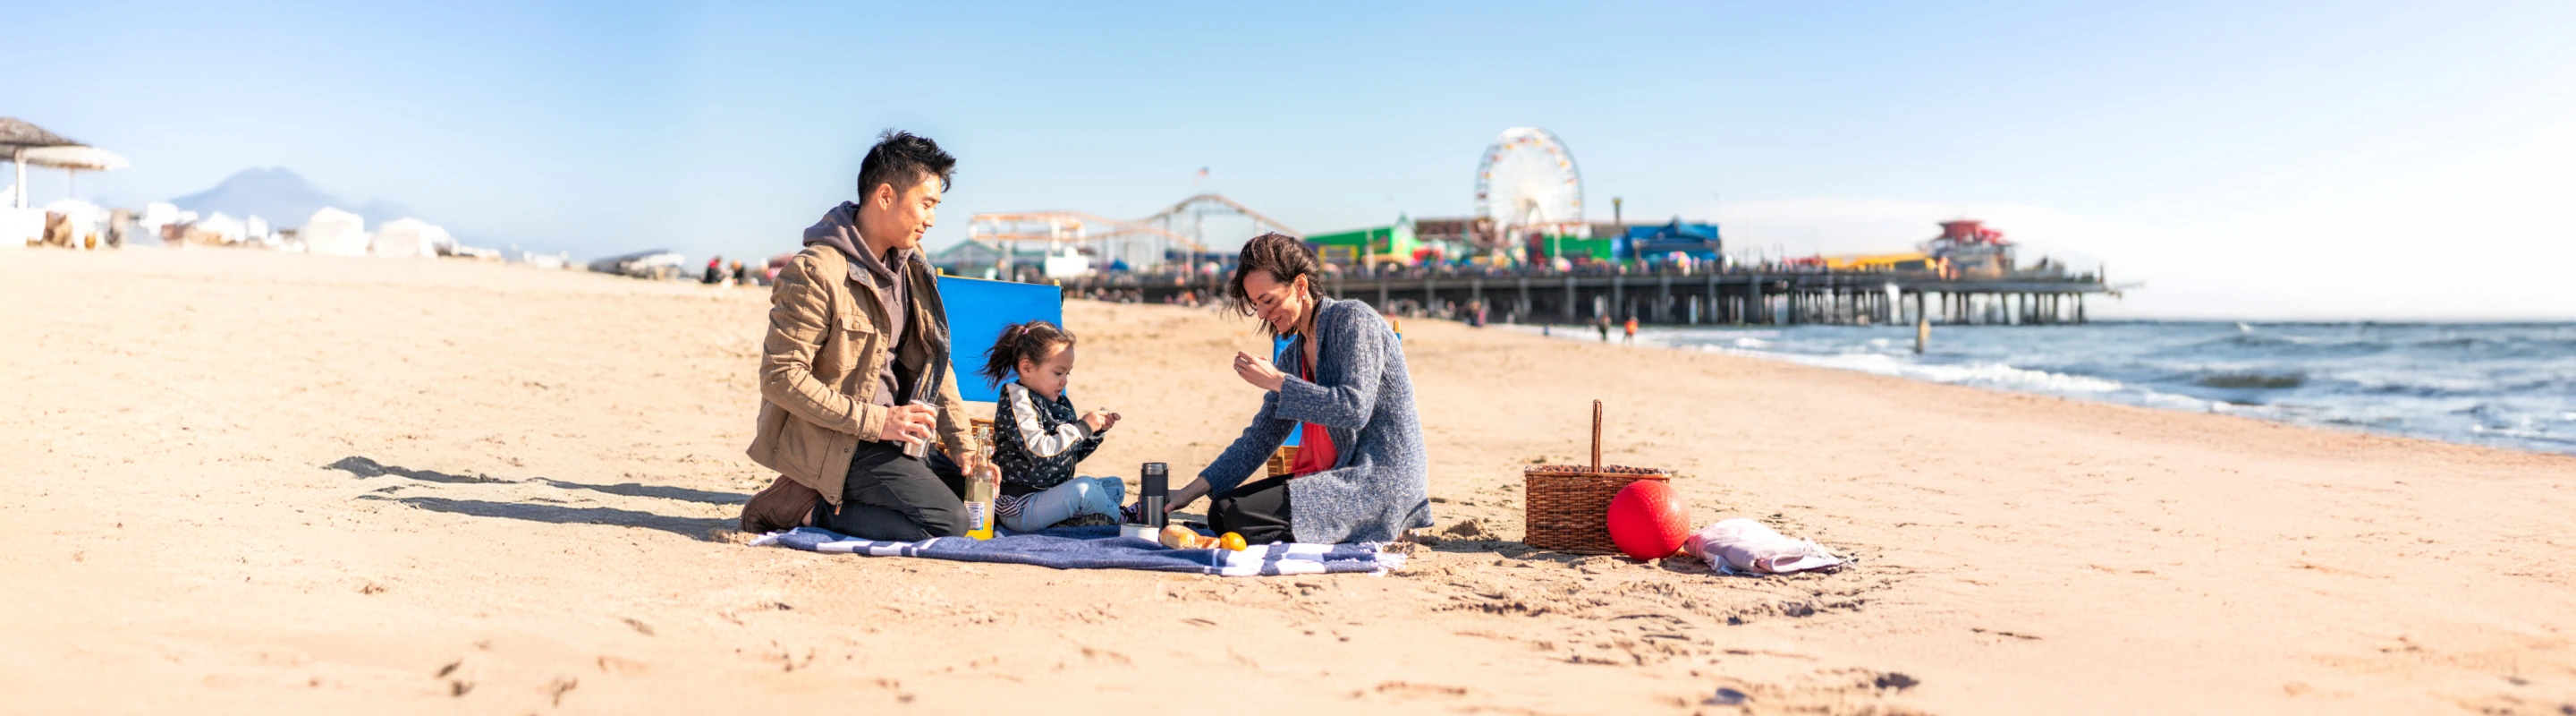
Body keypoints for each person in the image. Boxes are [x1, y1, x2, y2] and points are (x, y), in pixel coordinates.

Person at [737, 130, 987, 540]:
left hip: (900, 436)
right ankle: (804, 508)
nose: (932, 219)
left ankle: (832, 497)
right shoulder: (816, 271)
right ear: (886, 196)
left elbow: (934, 361)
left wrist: (962, 446)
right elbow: (781, 377)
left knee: (978, 495)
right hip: (841, 441)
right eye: (926, 204)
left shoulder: (913, 265)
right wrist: (881, 421)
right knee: (949, 522)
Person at [1165, 233, 1431, 545]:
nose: (1262, 314)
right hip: (1339, 474)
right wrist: (1190, 492)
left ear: (1300, 286)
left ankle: (1378, 525)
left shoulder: (1353, 319)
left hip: (1378, 478)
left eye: (1268, 300)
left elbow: (1354, 408)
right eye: (1255, 305)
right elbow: (1261, 437)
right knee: (1220, 511)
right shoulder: (1295, 354)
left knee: (1238, 519)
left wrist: (1278, 381)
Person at [977, 320, 1125, 531]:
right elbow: (1040, 452)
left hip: (1047, 496)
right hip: (1021, 506)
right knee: (1086, 490)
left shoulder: (1058, 403)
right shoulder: (1018, 399)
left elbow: (1067, 455)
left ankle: (1074, 519)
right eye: (1058, 373)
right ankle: (1123, 519)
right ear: (1027, 368)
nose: (1064, 381)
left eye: (1068, 373)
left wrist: (1094, 432)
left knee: (1114, 485)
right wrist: (1082, 427)